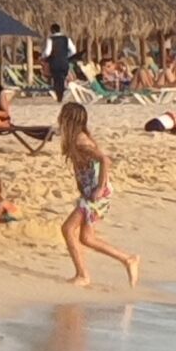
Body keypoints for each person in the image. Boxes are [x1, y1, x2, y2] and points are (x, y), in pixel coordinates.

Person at [55, 101, 137, 288]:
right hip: (90, 194)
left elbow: (104, 159)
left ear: (68, 121)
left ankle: (82, 275)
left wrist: (99, 188)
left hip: (96, 195)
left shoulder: (81, 141)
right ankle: (128, 259)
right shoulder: (76, 139)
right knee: (87, 238)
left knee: (67, 229)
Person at [42, 23, 76, 103]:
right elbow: (73, 51)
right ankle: (61, 94)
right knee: (63, 79)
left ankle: (59, 96)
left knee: (56, 80)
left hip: (55, 62)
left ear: (52, 30)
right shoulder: (66, 39)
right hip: (64, 62)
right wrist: (66, 56)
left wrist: (43, 56)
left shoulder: (50, 39)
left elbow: (47, 52)